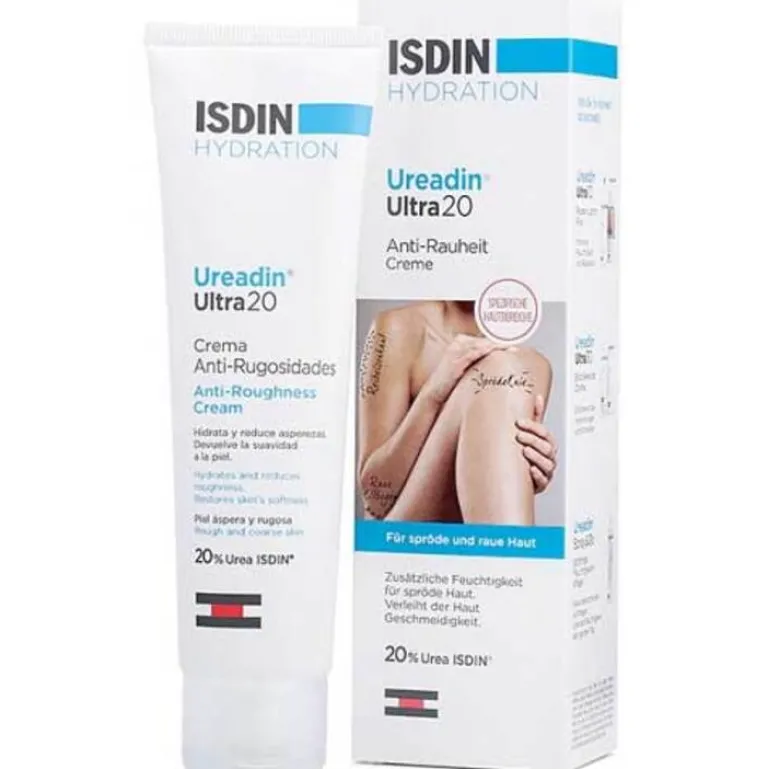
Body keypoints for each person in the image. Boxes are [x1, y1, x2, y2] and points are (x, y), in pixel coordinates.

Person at [358, 300, 557, 526]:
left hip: (469, 538)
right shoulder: (398, 328)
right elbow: (374, 504)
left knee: (499, 370)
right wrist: (433, 394)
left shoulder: (534, 367)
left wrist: (527, 474)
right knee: (494, 372)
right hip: (395, 535)